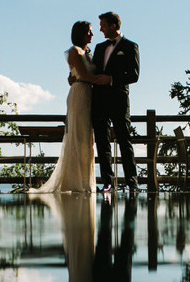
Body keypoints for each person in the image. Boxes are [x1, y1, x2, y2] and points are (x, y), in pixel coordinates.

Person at [30, 21, 111, 193]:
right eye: (89, 31)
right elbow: (84, 75)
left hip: (89, 94)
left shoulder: (87, 52)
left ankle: (85, 181)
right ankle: (75, 182)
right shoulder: (74, 51)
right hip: (80, 95)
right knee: (79, 136)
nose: (92, 34)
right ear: (81, 33)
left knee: (87, 139)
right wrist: (105, 79)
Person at [91, 11, 140, 192]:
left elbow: (134, 75)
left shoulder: (130, 46)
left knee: (124, 140)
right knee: (102, 142)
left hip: (119, 100)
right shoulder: (99, 47)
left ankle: (132, 183)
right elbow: (93, 71)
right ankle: (107, 183)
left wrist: (111, 79)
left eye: (103, 25)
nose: (100, 29)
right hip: (99, 101)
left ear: (113, 25)